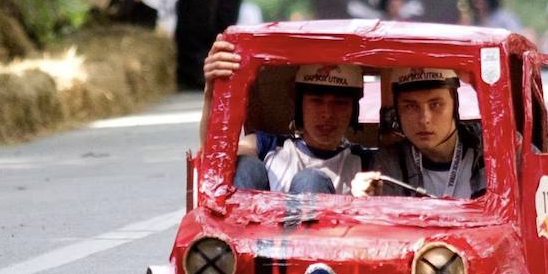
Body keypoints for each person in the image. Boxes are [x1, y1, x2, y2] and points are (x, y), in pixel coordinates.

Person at [201, 37, 369, 195]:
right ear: (299, 104)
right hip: (258, 223)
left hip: (333, 225)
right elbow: (215, 157)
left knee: (310, 181)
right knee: (245, 165)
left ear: (353, 109)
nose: (327, 114)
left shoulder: (364, 161)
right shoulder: (268, 147)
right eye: (316, 101)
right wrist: (211, 91)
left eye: (339, 104)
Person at [352, 67, 486, 199]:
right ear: (397, 113)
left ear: (455, 105)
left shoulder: (489, 151)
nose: (424, 119)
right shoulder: (388, 162)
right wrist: (365, 201)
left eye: (435, 105)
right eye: (411, 106)